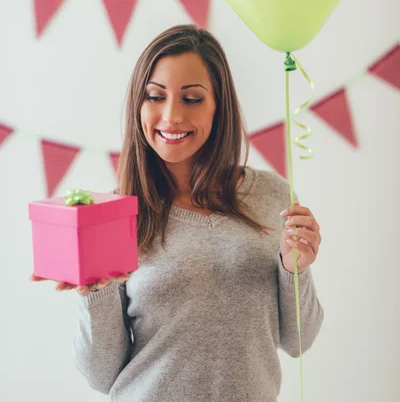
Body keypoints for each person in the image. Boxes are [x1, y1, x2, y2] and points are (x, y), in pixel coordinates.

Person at [30, 24, 323, 401]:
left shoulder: (273, 194)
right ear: (139, 104)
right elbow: (100, 374)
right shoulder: (113, 215)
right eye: (155, 96)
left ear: (219, 105)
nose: (171, 116)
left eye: (192, 99)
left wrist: (295, 269)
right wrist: (95, 295)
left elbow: (300, 339)